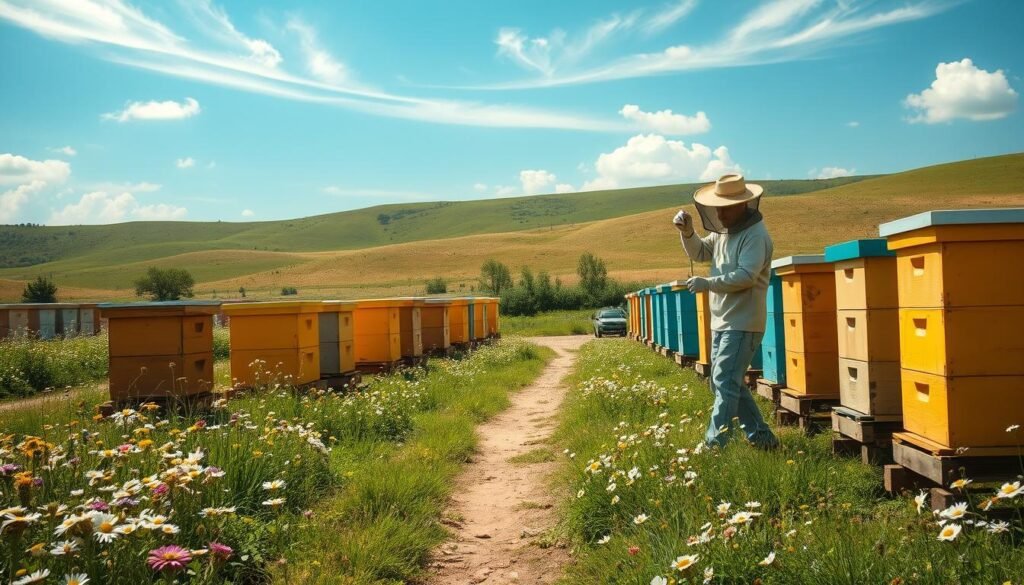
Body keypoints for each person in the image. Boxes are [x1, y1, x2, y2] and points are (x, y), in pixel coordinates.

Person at [672, 174, 779, 449]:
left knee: (724, 380)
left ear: (743, 205)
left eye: (724, 207)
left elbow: (746, 275)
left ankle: (715, 444)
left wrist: (708, 283)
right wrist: (688, 233)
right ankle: (763, 439)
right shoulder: (722, 233)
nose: (719, 213)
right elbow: (700, 253)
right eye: (716, 207)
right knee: (724, 383)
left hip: (743, 322)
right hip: (722, 321)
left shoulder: (755, 235)